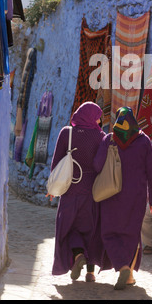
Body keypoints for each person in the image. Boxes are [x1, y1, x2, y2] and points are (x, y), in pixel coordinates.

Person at [93, 106, 152, 290]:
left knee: (109, 233)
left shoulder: (109, 139)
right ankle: (128, 273)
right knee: (131, 234)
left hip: (111, 195)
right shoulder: (144, 141)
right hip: (136, 197)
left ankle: (121, 267)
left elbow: (97, 166)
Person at [50, 101, 105, 282]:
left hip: (69, 190)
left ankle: (77, 254)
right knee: (91, 230)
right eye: (98, 117)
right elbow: (101, 165)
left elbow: (57, 161)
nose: (99, 120)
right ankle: (90, 273)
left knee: (69, 228)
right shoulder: (100, 137)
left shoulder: (67, 133)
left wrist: (52, 188)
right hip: (92, 192)